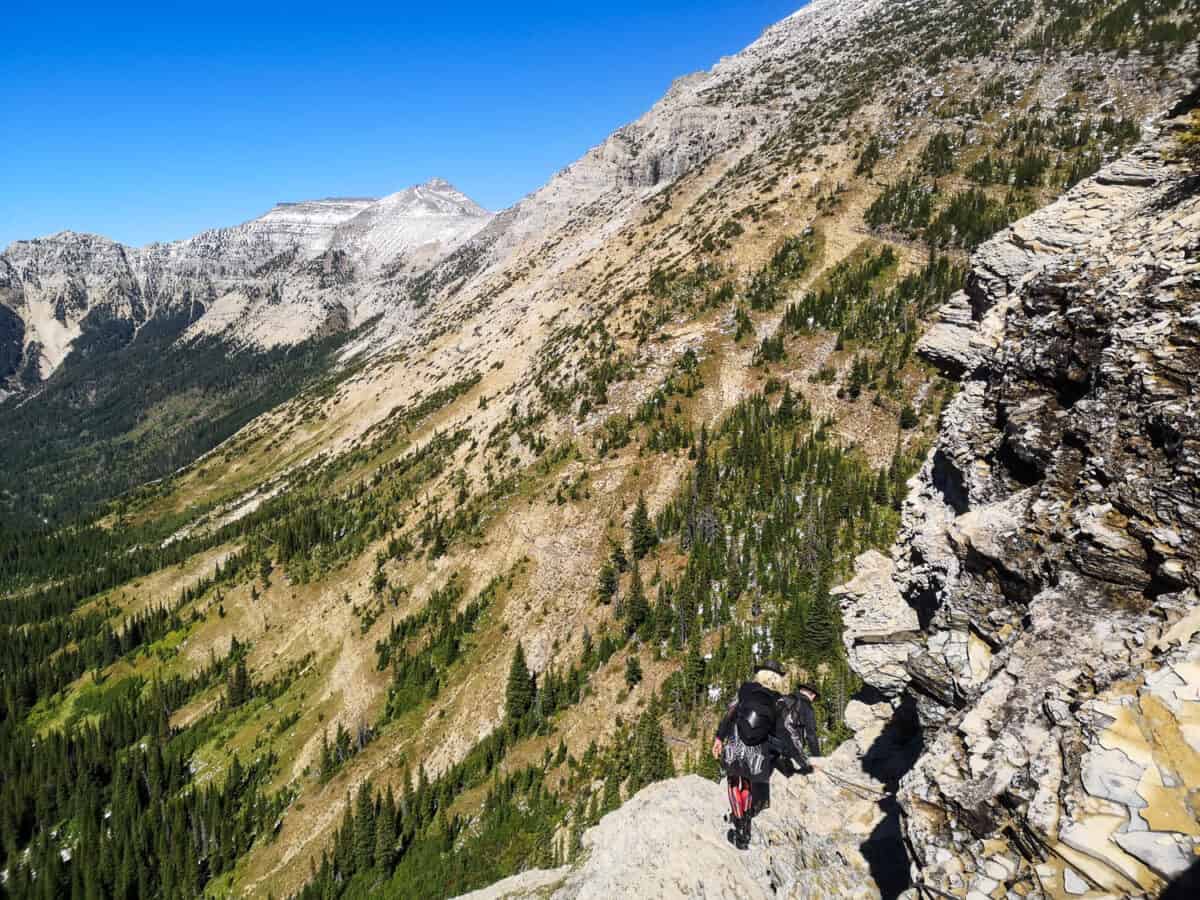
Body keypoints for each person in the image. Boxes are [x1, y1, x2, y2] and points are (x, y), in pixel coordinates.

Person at [712, 660, 821, 849]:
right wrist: (803, 762)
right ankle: (746, 825)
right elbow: (784, 732)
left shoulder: (746, 689)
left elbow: (731, 713)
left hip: (737, 741)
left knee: (733, 782)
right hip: (758, 749)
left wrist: (719, 738)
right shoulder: (778, 700)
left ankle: (739, 830)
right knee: (746, 783)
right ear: (776, 679)